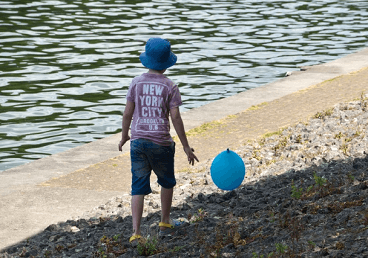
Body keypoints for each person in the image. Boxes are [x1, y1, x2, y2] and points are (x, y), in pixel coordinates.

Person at [118, 37, 199, 245]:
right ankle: (164, 222)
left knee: (138, 186)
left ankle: (136, 232)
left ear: (146, 61)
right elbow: (176, 118)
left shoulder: (136, 83)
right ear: (166, 64)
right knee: (166, 181)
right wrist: (185, 146)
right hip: (161, 143)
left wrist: (124, 135)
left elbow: (127, 113)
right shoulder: (170, 86)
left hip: (138, 143)